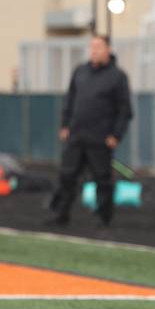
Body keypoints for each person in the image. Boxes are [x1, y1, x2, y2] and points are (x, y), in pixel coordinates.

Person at [49, 35, 132, 227]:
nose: (94, 50)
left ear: (108, 50)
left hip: (100, 138)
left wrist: (116, 135)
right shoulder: (80, 71)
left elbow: (124, 110)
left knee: (102, 179)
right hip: (76, 135)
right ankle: (61, 214)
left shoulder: (117, 76)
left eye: (98, 47)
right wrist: (65, 125)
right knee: (66, 176)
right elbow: (69, 99)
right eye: (92, 47)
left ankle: (103, 218)